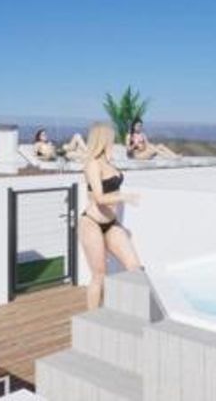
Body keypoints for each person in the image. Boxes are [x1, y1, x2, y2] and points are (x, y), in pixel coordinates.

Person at [80, 122, 142, 309]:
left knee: (135, 268)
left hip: (111, 223)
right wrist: (124, 197)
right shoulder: (93, 164)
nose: (113, 141)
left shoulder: (108, 161)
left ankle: (134, 310)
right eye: (111, 138)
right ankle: (93, 317)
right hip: (92, 223)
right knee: (99, 275)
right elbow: (99, 198)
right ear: (103, 139)